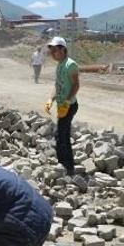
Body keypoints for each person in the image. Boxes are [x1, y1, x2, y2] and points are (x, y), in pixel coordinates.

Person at [43, 36, 79, 176]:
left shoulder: (71, 65)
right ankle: (63, 164)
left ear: (63, 49)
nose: (52, 54)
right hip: (62, 106)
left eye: (55, 51)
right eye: (51, 52)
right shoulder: (59, 65)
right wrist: (50, 99)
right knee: (61, 135)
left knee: (61, 136)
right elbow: (57, 86)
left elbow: (76, 85)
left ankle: (68, 167)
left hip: (69, 106)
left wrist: (67, 103)